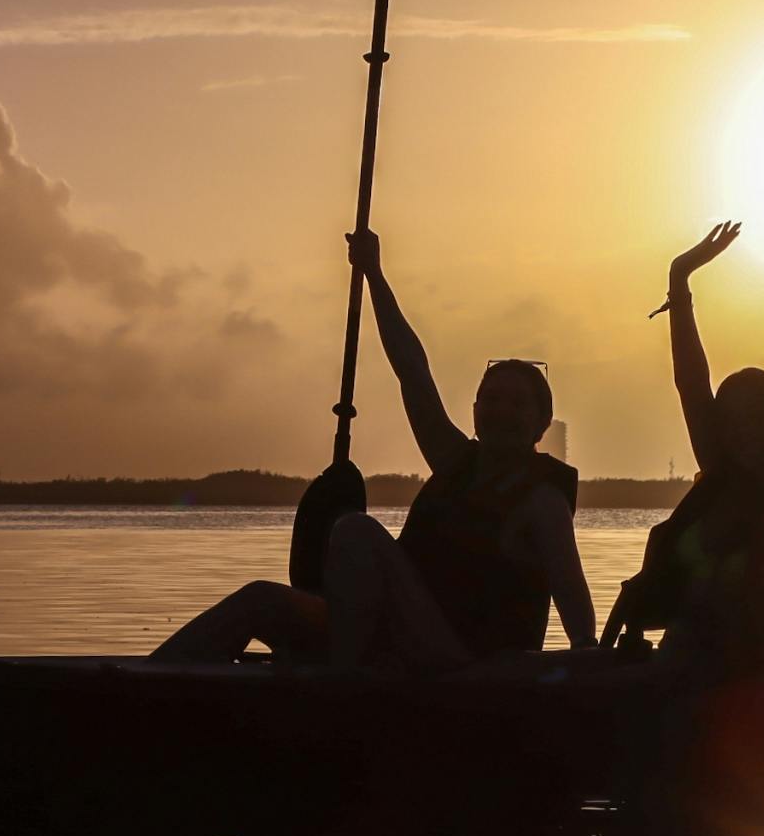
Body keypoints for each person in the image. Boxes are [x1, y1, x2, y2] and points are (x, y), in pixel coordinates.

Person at [154, 230, 597, 671]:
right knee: (261, 599)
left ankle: (341, 681)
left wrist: (587, 658)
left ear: (541, 422)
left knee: (356, 532)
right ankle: (151, 678)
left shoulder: (543, 500)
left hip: (462, 661)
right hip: (394, 631)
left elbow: (573, 597)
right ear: (475, 411)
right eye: (493, 400)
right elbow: (412, 371)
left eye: (518, 404)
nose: (502, 411)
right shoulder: (454, 460)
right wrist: (374, 275)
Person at [614, 221, 764, 676]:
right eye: (733, 420)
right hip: (696, 647)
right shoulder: (721, 468)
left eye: (759, 419)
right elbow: (690, 381)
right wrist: (679, 278)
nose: (746, 431)